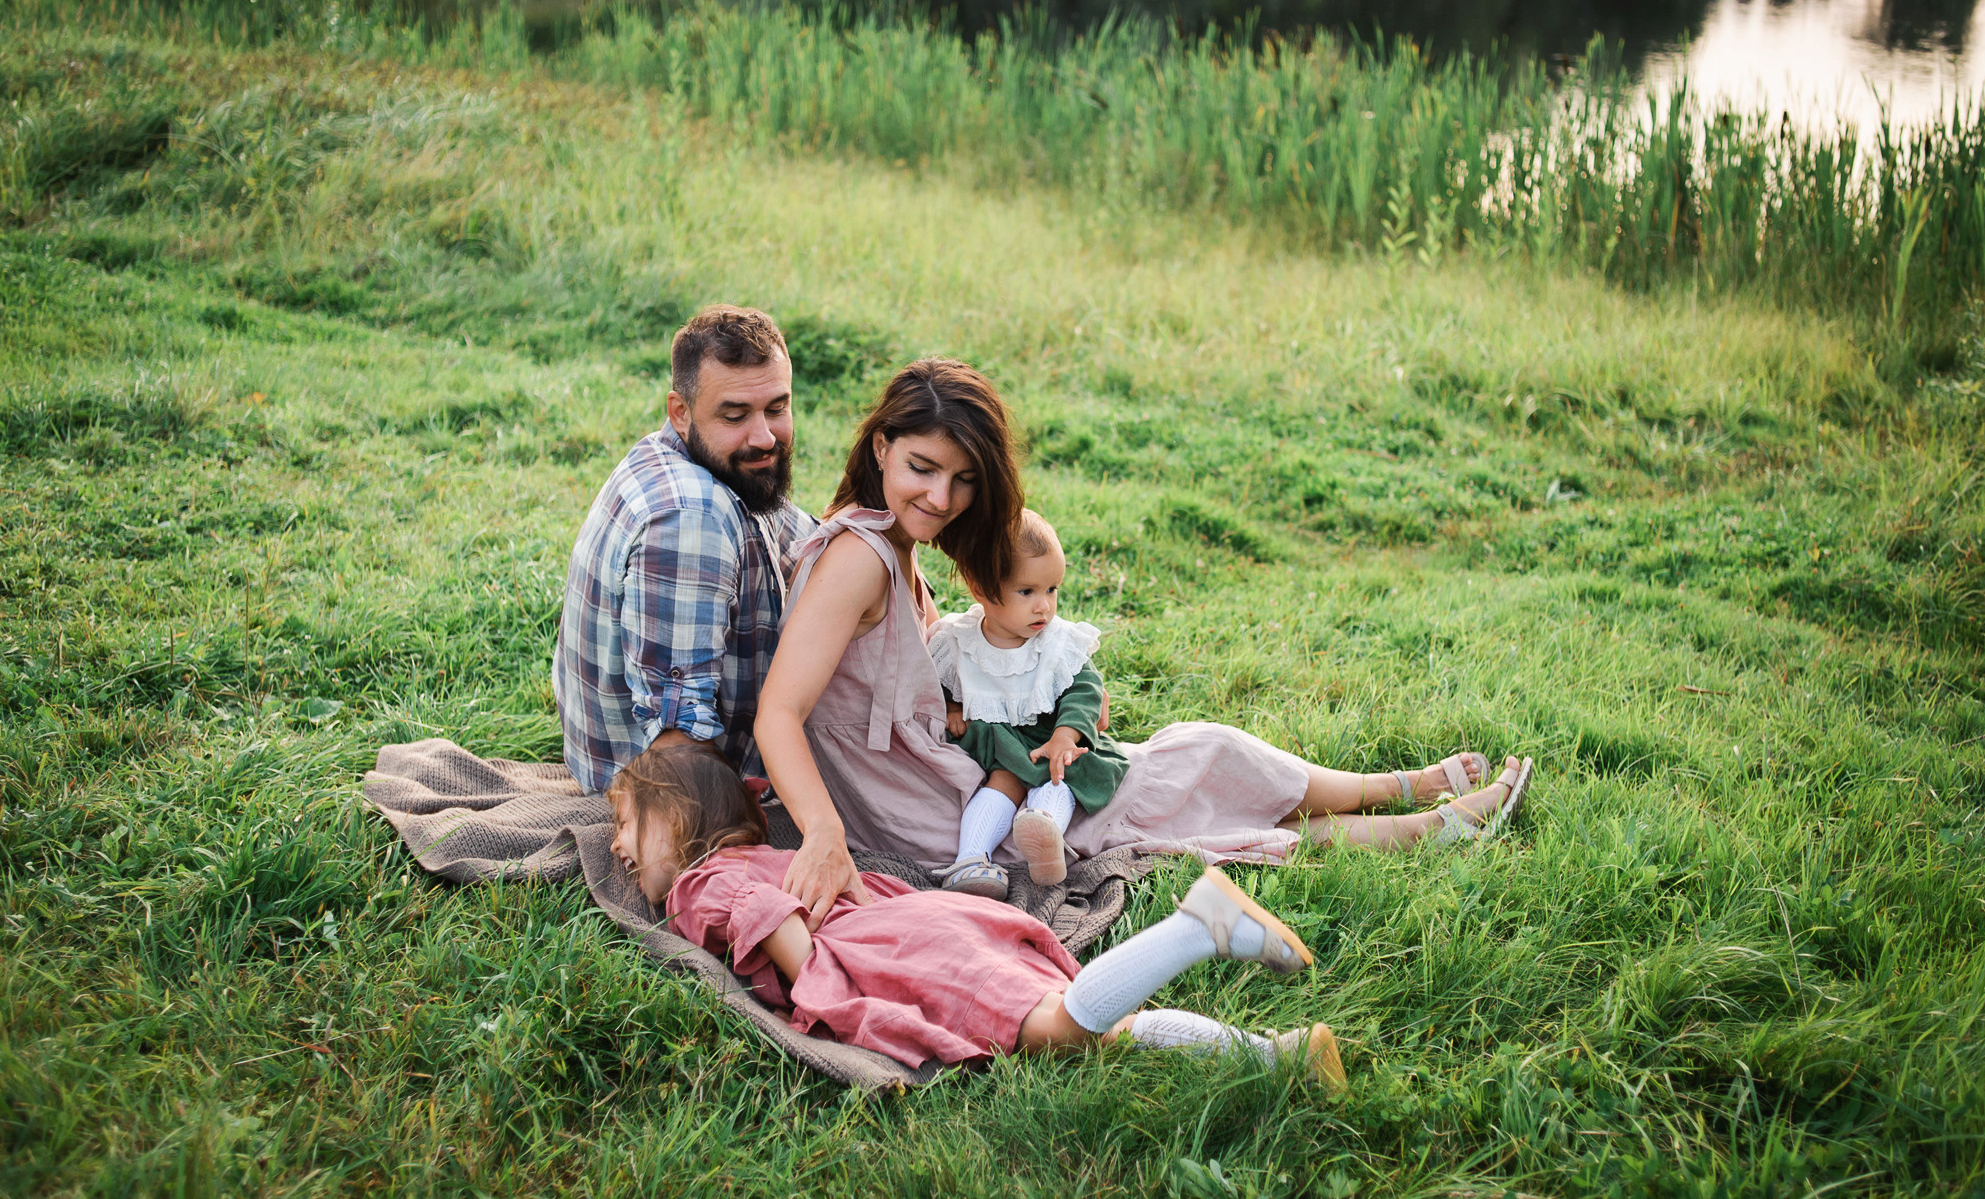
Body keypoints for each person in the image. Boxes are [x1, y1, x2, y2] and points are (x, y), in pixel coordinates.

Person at [753, 358, 1536, 926]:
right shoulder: (858, 556)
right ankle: (1416, 802)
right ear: (882, 444)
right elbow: (779, 711)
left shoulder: (892, 542)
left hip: (962, 781)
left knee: (1195, 784)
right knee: (1204, 755)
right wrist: (825, 835)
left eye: (963, 481)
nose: (942, 496)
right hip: (940, 812)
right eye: (923, 467)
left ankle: (1421, 805)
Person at [608, 741, 1349, 1083]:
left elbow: (768, 916)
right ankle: (1273, 1051)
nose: (615, 847)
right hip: (930, 925)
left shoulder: (701, 883)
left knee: (1058, 1028)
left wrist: (821, 988)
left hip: (892, 955)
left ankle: (1198, 927)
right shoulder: (767, 853)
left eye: (624, 824)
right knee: (1094, 1029)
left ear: (676, 817)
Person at [554, 306, 815, 792]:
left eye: (777, 408)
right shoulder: (691, 518)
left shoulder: (700, 461)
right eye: (735, 415)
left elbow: (804, 540)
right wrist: (722, 847)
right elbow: (677, 742)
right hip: (653, 789)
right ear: (681, 411)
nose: (763, 437)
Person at [928, 508, 1128, 897]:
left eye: (1052, 589)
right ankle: (970, 860)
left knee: (1062, 773)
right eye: (1028, 592)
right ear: (981, 588)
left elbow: (1084, 687)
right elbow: (945, 679)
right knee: (1002, 783)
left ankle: (1045, 831)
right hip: (1001, 743)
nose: (1044, 606)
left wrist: (1066, 736)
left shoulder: (1057, 643)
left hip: (1051, 734)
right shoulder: (958, 639)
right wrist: (952, 706)